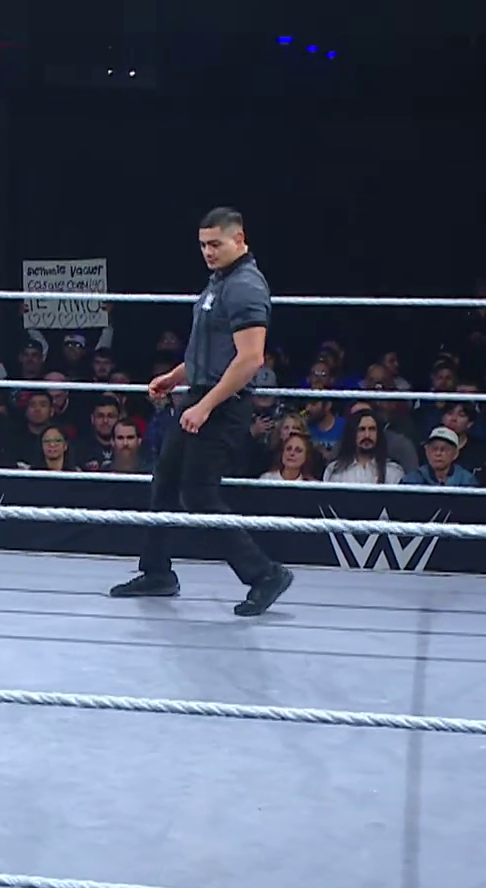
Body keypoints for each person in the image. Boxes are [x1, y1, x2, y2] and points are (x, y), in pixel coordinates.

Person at [110, 207, 293, 615]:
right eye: (203, 245)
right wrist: (175, 377)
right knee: (165, 480)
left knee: (197, 492)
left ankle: (265, 574)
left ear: (239, 239)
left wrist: (206, 405)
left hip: (224, 405)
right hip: (200, 396)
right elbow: (208, 351)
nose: (208, 252)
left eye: (215, 244)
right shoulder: (219, 282)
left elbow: (250, 359)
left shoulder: (245, 286)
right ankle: (157, 571)